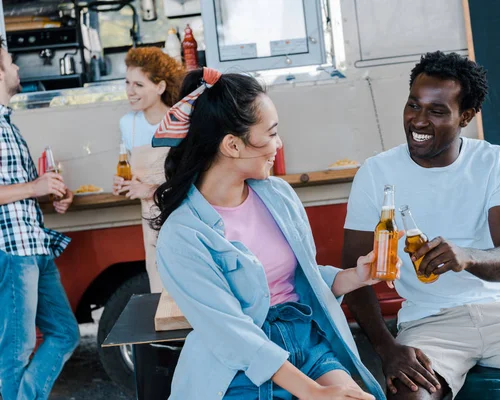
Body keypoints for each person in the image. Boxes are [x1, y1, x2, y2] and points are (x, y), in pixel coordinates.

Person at [342, 51, 500, 400]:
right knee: (409, 396)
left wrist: (466, 256)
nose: (418, 121)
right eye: (413, 105)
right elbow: (353, 276)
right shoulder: (376, 173)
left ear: (466, 116)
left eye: (436, 111)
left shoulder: (493, 162)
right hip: (428, 323)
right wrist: (387, 349)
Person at [151, 67, 395, 400]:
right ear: (233, 145)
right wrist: (313, 393)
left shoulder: (278, 195)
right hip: (236, 367)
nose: (279, 145)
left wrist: (356, 276)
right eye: (271, 133)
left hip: (305, 344)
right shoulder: (181, 235)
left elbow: (300, 279)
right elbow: (231, 334)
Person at [0, 39, 79, 400]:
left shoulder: (8, 125)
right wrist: (34, 186)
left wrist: (51, 196)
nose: (18, 69)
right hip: (12, 252)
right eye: (11, 63)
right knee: (16, 350)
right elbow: (22, 190)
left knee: (65, 332)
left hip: (34, 245)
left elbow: (20, 194)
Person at [112, 47, 186, 293]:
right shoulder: (127, 124)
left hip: (184, 214)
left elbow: (192, 176)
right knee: (159, 283)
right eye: (127, 83)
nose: (130, 91)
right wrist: (123, 183)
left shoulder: (182, 121)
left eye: (138, 85)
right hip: (151, 221)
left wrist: (148, 188)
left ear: (161, 87)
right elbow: (134, 171)